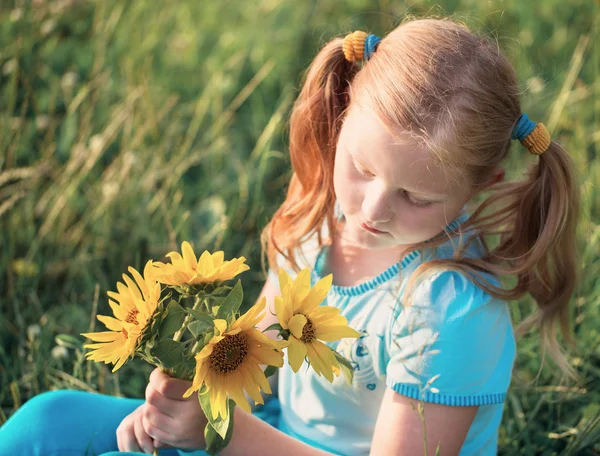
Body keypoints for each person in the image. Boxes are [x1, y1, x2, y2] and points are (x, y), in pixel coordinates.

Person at [0, 17, 580, 456]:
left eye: (417, 198)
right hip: (275, 432)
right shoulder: (321, 224)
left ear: (483, 185)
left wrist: (224, 435)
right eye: (363, 169)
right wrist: (198, 397)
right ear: (343, 111)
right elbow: (263, 345)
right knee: (44, 424)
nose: (372, 210)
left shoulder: (449, 312)